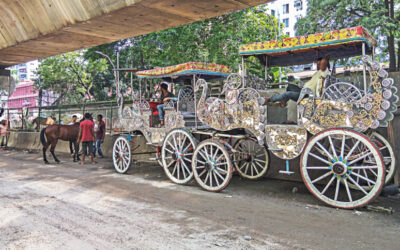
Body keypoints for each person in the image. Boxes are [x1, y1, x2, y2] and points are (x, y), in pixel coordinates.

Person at [265, 56, 331, 105]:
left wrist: (325, 58)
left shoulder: (325, 72)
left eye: (319, 64)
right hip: (303, 90)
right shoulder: (318, 72)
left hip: (307, 94)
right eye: (317, 64)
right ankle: (284, 101)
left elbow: (324, 63)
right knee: (290, 86)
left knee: (287, 94)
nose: (318, 66)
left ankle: (269, 99)